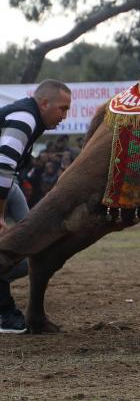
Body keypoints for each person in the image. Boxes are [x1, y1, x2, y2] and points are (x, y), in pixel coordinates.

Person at [0, 80, 72, 333]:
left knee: (35, 242)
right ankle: (4, 313)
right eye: (62, 109)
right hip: (4, 179)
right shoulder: (25, 118)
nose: (64, 116)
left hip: (10, 183)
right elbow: (3, 165)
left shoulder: (33, 120)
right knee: (27, 244)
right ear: (44, 103)